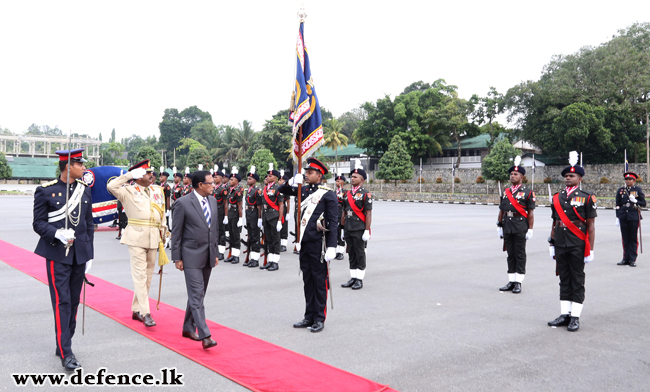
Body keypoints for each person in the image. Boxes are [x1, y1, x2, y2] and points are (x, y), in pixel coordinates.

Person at [33, 149, 93, 370]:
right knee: (62, 302)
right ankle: (66, 352)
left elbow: (88, 226)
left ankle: (64, 342)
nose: (84, 168)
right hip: (57, 254)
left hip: (79, 255)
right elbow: (38, 223)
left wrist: (89, 255)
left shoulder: (84, 191)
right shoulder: (46, 191)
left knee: (74, 301)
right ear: (69, 166)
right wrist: (56, 233)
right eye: (81, 164)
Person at [279, 157, 338, 333]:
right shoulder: (302, 190)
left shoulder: (328, 194)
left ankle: (319, 318)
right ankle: (309, 315)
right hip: (304, 243)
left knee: (320, 281)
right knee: (308, 280)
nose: (306, 175)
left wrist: (332, 246)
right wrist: (290, 181)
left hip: (319, 245)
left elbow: (333, 222)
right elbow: (281, 190)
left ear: (319, 175)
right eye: (306, 172)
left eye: (310, 173)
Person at [107, 159, 167, 328]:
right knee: (140, 276)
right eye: (147, 173)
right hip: (136, 236)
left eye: (151, 172)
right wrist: (129, 176)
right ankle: (145, 313)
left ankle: (135, 309)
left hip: (154, 236)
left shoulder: (156, 190)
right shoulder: (128, 191)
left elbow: (161, 213)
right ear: (139, 176)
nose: (151, 175)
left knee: (148, 276)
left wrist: (163, 233)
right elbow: (111, 187)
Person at [548, 152, 596, 332]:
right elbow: (554, 222)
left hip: (577, 243)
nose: (568, 178)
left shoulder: (587, 197)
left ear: (580, 178)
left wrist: (590, 249)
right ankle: (564, 314)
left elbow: (591, 226)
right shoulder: (557, 198)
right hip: (560, 242)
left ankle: (575, 316)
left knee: (577, 278)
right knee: (564, 278)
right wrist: (552, 243)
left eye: (571, 176)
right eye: (566, 176)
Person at [171, 170, 219, 350]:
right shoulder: (183, 203)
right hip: (190, 255)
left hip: (208, 255)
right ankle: (205, 334)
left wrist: (215, 253)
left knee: (198, 293)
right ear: (200, 185)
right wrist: (177, 257)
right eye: (210, 183)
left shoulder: (213, 201)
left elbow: (213, 230)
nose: (213, 185)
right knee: (197, 294)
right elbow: (176, 233)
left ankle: (187, 327)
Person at [497, 157, 535, 294]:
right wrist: (499, 226)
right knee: (510, 254)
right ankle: (511, 280)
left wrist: (530, 229)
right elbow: (501, 210)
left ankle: (518, 281)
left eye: (515, 174)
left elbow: (530, 212)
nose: (512, 176)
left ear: (522, 177)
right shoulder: (506, 191)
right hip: (507, 225)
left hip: (520, 225)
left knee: (519, 254)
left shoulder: (527, 192)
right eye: (511, 174)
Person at [341, 160, 372, 290]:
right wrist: (342, 228)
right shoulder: (347, 193)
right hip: (348, 226)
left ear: (362, 179)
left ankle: (359, 279)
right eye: (351, 176)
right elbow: (343, 211)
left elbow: (368, 213)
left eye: (355, 177)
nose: (352, 178)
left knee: (359, 253)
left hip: (359, 227)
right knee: (351, 253)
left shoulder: (366, 193)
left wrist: (366, 230)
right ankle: (353, 277)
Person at [616, 171, 646, 267]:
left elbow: (643, 203)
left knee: (632, 238)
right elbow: (618, 204)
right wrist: (617, 216)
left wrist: (636, 201)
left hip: (633, 216)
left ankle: (632, 259)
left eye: (630, 179)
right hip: (623, 215)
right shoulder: (621, 190)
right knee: (625, 238)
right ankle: (625, 258)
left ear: (634, 180)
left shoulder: (638, 189)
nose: (628, 181)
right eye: (626, 179)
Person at [261, 163, 285, 271]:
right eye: (268, 176)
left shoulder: (278, 188)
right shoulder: (265, 188)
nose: (268, 177)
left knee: (276, 239)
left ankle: (275, 262)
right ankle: (270, 260)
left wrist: (280, 220)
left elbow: (281, 205)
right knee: (268, 239)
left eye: (270, 176)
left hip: (274, 216)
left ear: (275, 178)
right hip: (266, 216)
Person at [243, 166, 263, 267]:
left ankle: (255, 259)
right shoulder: (249, 190)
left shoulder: (256, 191)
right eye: (248, 178)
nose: (248, 180)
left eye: (250, 178)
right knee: (250, 236)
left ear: (254, 180)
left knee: (255, 236)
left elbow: (259, 206)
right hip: (249, 213)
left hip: (255, 213)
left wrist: (259, 218)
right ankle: (252, 257)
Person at [224, 167, 244, 264]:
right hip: (231, 213)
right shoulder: (229, 189)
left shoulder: (238, 190)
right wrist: (226, 216)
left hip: (236, 214)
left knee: (236, 236)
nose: (229, 180)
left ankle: (236, 256)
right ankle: (232, 254)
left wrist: (240, 218)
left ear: (236, 181)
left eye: (232, 179)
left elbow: (240, 206)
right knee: (231, 235)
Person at [212, 167, 228, 259]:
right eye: (214, 177)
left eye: (217, 177)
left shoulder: (223, 189)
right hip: (213, 210)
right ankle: (215, 250)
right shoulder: (213, 188)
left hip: (220, 210)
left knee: (221, 231)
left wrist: (226, 215)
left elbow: (226, 203)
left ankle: (221, 251)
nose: (215, 179)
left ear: (221, 178)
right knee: (214, 231)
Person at [334, 172, 347, 260]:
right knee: (335, 233)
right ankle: (336, 251)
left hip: (341, 212)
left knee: (341, 233)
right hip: (334, 213)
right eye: (336, 181)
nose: (337, 182)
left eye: (339, 181)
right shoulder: (333, 192)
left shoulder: (346, 192)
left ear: (343, 182)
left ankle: (340, 252)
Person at [279, 171, 291, 252]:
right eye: (279, 179)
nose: (279, 181)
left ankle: (284, 244)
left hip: (283, 208)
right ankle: (279, 242)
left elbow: (288, 202)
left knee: (284, 227)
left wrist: (287, 213)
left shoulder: (286, 189)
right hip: (277, 208)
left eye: (281, 180)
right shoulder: (276, 188)